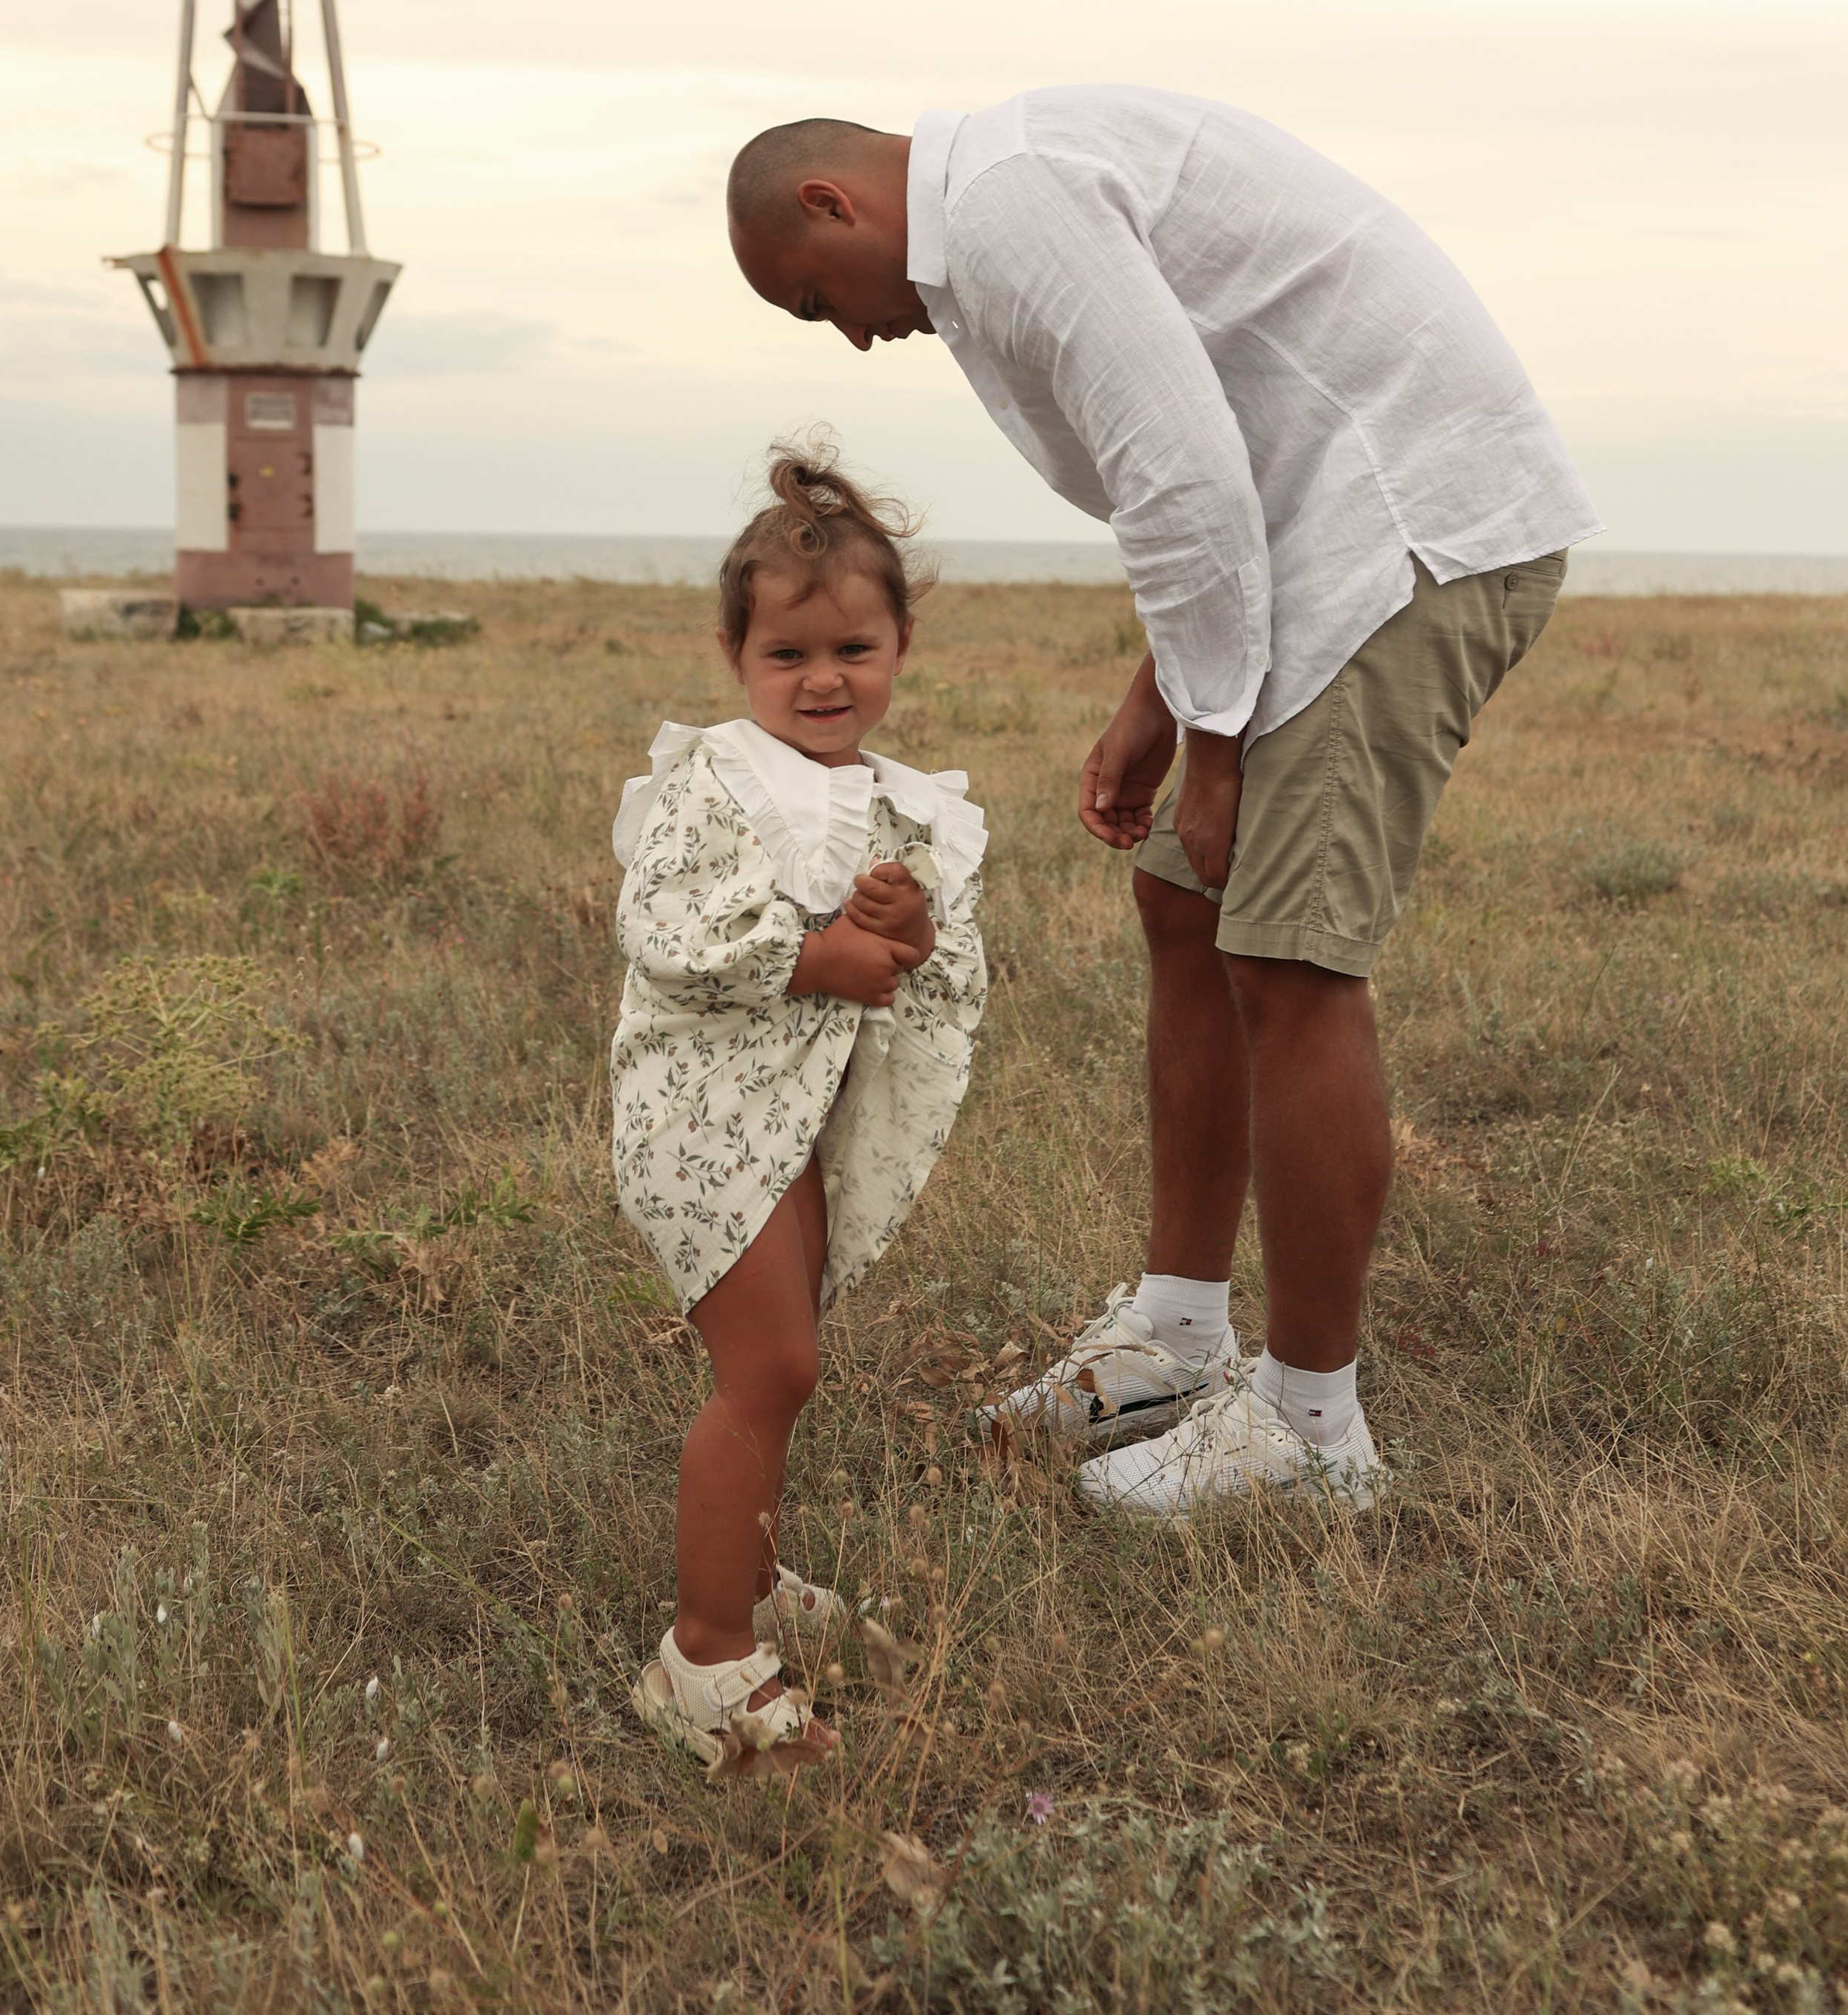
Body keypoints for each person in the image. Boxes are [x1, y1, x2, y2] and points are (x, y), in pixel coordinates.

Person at [727, 86, 1597, 1516]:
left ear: (834, 204)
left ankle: (1311, 1434)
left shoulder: (1006, 204)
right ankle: (1180, 1340)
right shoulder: (997, 207)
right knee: (1184, 906)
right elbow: (1210, 457)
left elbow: (1184, 468)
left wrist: (1219, 748)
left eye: (818, 301)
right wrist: (1162, 699)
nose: (854, 338)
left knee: (1288, 957)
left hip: (1404, 532)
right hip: (1321, 533)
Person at [612, 447, 987, 1764]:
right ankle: (706, 1656)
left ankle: (754, 1575)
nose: (823, 680)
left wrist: (908, 928)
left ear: (899, 646)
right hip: (700, 1124)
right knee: (769, 1368)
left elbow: (936, 960)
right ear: (735, 655)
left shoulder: (900, 802)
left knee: (785, 1363)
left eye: (853, 650)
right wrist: (813, 954)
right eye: (787, 655)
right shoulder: (712, 780)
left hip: (794, 1125)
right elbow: (663, 930)